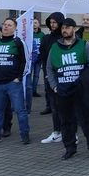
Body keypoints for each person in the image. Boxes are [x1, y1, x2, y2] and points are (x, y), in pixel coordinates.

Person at [47, 18, 89, 160]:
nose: (64, 30)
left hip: (81, 90)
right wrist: (54, 87)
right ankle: (70, 148)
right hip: (63, 91)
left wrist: (88, 83)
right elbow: (49, 69)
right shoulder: (55, 47)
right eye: (63, 27)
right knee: (66, 122)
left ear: (74, 29)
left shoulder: (84, 45)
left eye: (68, 27)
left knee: (86, 121)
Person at [0, 18, 30, 146]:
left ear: (15, 28)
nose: (6, 27)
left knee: (20, 110)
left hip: (13, 84)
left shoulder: (18, 42)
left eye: (9, 25)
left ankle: (25, 134)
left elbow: (26, 61)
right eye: (5, 25)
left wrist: (19, 77)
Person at [38, 12, 64, 142]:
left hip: (64, 76)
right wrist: (47, 74)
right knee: (54, 106)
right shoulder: (47, 38)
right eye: (51, 22)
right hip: (50, 76)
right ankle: (56, 132)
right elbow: (43, 56)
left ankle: (69, 132)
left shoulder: (65, 37)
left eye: (55, 22)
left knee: (66, 106)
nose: (53, 25)